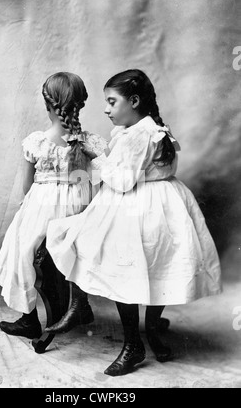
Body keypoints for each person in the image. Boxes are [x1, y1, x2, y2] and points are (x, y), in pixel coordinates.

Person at [45, 69, 222, 376]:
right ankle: (143, 327)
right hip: (163, 203)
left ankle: (134, 343)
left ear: (134, 101)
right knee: (152, 267)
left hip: (140, 207)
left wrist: (96, 156)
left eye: (112, 102)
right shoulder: (151, 128)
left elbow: (123, 180)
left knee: (124, 268)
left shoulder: (140, 135)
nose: (106, 109)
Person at [0, 72, 108, 340]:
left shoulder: (36, 142)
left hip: (43, 209)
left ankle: (29, 319)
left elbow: (26, 187)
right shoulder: (92, 142)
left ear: (48, 107)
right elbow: (101, 182)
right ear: (79, 105)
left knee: (20, 251)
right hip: (80, 208)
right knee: (68, 251)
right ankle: (81, 306)